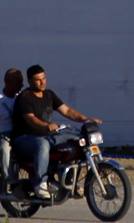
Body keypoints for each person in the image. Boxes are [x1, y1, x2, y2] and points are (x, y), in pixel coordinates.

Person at [12, 64, 101, 199]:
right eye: (38, 79)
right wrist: (46, 125)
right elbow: (30, 119)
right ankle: (40, 183)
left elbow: (67, 111)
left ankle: (70, 181)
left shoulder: (49, 94)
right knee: (42, 144)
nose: (42, 82)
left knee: (77, 140)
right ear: (30, 81)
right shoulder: (25, 97)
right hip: (25, 139)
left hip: (47, 136)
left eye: (44, 78)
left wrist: (86, 119)